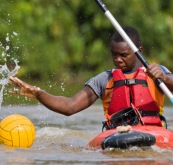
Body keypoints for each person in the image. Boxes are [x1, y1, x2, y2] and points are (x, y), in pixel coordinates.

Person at [9, 26, 173, 131]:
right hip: (117, 135)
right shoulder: (104, 79)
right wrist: (39, 94)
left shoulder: (157, 73)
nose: (117, 59)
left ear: (139, 51)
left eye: (123, 55)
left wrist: (164, 78)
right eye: (113, 54)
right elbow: (70, 107)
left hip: (154, 133)